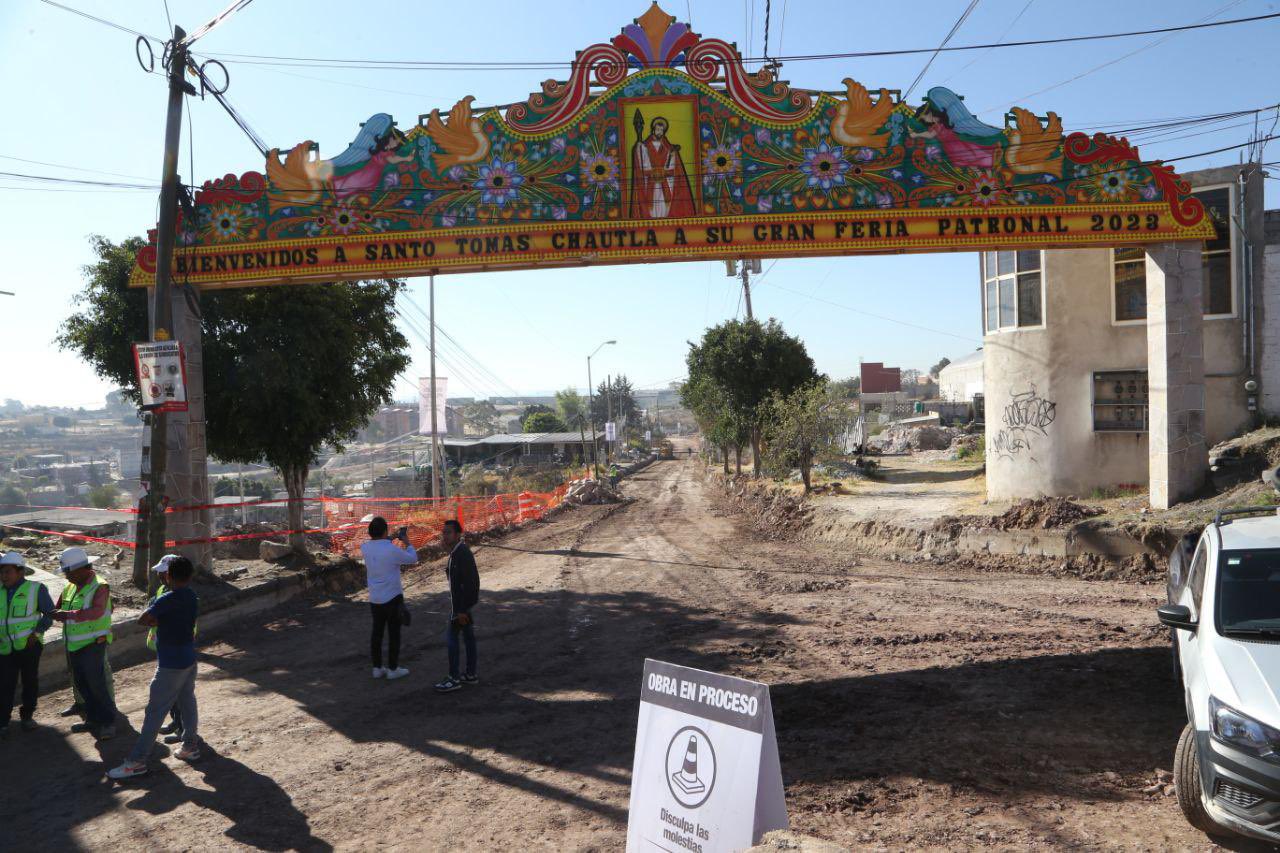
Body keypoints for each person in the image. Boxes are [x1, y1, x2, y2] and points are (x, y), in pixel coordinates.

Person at [108, 555, 201, 780]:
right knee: (187, 702)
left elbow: (143, 619)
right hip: (189, 658)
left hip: (171, 665)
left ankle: (137, 762)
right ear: (190, 576)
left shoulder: (166, 600)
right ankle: (190, 746)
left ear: (168, 576)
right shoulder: (192, 596)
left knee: (154, 713)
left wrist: (159, 620)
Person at [51, 547, 117, 740]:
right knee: (82, 683)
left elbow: (97, 611)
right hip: (74, 644)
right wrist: (55, 612)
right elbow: (60, 606)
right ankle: (93, 719)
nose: (66, 576)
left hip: (93, 643)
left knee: (96, 684)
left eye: (68, 572)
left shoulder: (100, 586)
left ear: (81, 569)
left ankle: (108, 722)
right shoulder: (70, 586)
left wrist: (67, 615)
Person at [0, 551, 55, 736]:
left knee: (29, 681)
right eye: (1, 572)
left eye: (7, 571)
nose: (3, 576)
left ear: (20, 571)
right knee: (5, 684)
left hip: (29, 647)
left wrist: (37, 632)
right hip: (5, 647)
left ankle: (27, 716)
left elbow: (49, 614)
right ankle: (3, 722)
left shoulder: (36, 589)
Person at [359, 516, 416, 680]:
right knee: (394, 633)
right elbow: (413, 558)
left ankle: (377, 668)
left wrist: (390, 538)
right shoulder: (392, 550)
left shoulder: (365, 548)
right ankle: (393, 668)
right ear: (385, 531)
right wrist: (407, 542)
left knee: (377, 633)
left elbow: (378, 544)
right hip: (392, 597)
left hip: (375, 598)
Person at [147, 555, 196, 745]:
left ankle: (184, 729)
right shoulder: (163, 590)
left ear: (170, 573)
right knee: (175, 696)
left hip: (177, 648)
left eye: (162, 572)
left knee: (177, 695)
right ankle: (177, 723)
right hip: (166, 646)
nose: (159, 575)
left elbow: (153, 616)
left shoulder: (180, 594)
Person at [434, 519, 479, 693]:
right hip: (461, 606)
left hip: (460, 608)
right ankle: (470, 674)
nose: (444, 535)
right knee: (468, 639)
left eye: (448, 532)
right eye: (443, 532)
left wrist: (461, 610)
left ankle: (454, 677)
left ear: (458, 534)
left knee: (452, 639)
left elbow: (471, 583)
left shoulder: (463, 553)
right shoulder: (456, 552)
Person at [628, 114, 695, 219]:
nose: (659, 132)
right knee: (652, 203)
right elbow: (641, 164)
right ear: (653, 129)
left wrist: (669, 162)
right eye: (657, 129)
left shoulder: (669, 148)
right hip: (650, 181)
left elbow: (673, 168)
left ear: (664, 131)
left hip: (665, 182)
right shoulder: (644, 146)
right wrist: (638, 147)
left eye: (661, 130)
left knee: (664, 204)